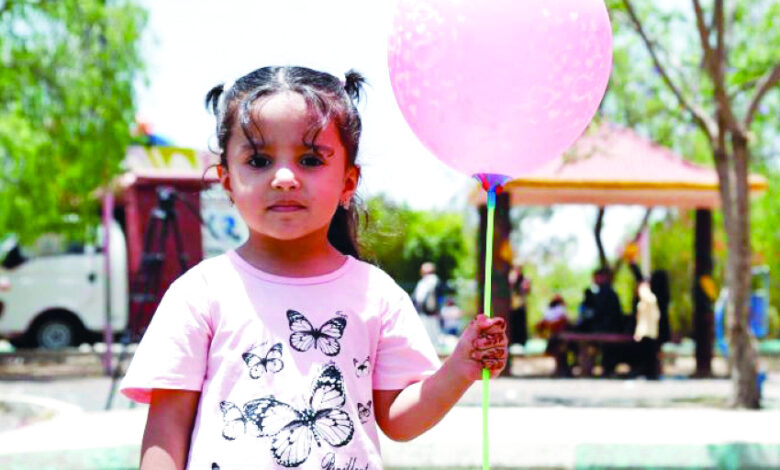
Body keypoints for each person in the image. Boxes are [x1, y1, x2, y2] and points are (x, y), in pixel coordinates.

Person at [119, 66, 507, 470]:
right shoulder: (199, 293)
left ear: (348, 183)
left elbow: (399, 419)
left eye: (309, 159)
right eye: (259, 160)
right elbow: (167, 428)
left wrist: (459, 369)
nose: (285, 178)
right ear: (227, 181)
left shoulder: (377, 295)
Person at [412, 261, 443, 347]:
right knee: (431, 336)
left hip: (426, 312)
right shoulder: (433, 281)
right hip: (429, 312)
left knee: (427, 336)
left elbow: (418, 298)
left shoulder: (429, 281)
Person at [508, 264, 530, 346]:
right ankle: (513, 343)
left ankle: (522, 343)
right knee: (514, 325)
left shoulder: (525, 279)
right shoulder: (512, 278)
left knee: (521, 326)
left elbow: (527, 290)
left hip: (521, 306)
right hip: (513, 307)